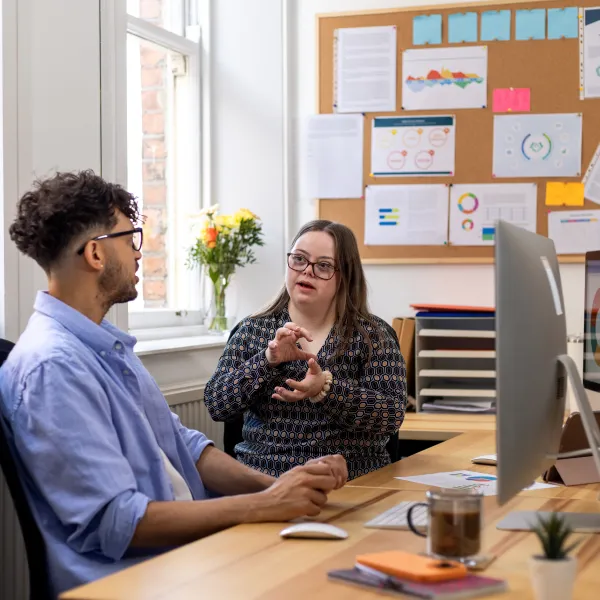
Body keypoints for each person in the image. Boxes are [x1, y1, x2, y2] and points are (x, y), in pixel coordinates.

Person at [0, 171, 348, 597]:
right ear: (95, 253)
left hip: (189, 559)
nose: (138, 255)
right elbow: (118, 523)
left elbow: (184, 448)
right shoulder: (52, 368)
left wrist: (283, 486)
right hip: (138, 580)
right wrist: (268, 505)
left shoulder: (106, 347)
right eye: (131, 241)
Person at [204, 220, 407, 480]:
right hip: (266, 483)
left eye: (323, 265)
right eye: (299, 259)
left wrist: (326, 389)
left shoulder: (373, 336)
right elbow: (216, 405)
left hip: (352, 483)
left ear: (345, 275)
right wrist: (267, 361)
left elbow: (390, 417)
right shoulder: (251, 331)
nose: (307, 271)